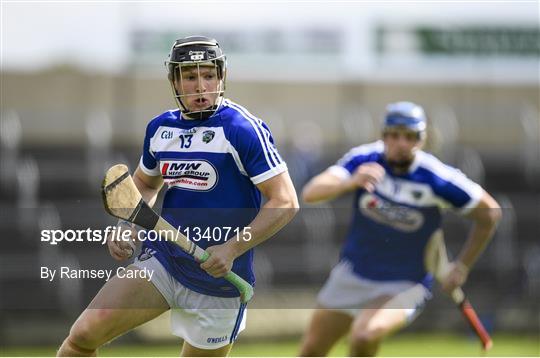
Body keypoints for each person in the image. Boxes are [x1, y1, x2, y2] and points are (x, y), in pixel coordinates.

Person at [58, 36, 298, 357]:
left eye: (208, 75)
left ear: (221, 77)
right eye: (190, 76)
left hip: (219, 281)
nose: (201, 86)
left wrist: (232, 247)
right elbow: (143, 183)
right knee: (82, 336)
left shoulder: (243, 130)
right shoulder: (161, 129)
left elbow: (284, 202)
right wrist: (128, 225)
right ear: (174, 80)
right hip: (164, 261)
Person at [298, 101, 501, 357]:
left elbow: (490, 213)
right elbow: (311, 193)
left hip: (404, 284)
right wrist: (351, 182)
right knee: (310, 352)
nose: (402, 143)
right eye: (394, 135)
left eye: (410, 136)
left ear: (422, 139)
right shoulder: (364, 159)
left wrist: (461, 267)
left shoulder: (436, 178)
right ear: (383, 136)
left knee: (364, 335)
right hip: (352, 273)